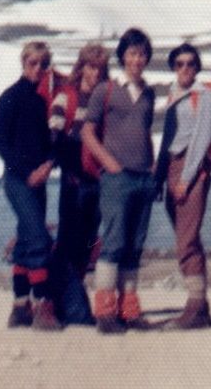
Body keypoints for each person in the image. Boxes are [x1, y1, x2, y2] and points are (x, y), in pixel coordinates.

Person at [81, 27, 156, 333]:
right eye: (132, 53)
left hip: (143, 178)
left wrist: (152, 168)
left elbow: (145, 133)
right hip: (117, 178)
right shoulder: (106, 90)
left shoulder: (149, 93)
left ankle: (129, 308)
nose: (137, 59)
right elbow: (87, 131)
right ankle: (105, 312)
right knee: (113, 243)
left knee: (135, 245)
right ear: (122, 55)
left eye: (142, 54)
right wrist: (108, 162)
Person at [0, 41, 61, 331]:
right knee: (39, 239)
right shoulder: (10, 97)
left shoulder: (46, 100)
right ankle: (43, 305)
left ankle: (20, 307)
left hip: (39, 179)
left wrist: (48, 164)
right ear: (23, 63)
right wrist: (25, 171)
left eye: (43, 64)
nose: (37, 69)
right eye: (32, 63)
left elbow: (52, 141)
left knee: (25, 239)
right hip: (18, 180)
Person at [154, 43, 211, 329]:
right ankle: (200, 306)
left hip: (188, 170)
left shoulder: (202, 97)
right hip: (171, 167)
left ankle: (194, 307)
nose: (185, 69)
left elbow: (201, 140)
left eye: (191, 63)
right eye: (179, 64)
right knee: (186, 235)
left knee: (186, 240)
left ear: (197, 66)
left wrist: (186, 179)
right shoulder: (174, 95)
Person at [49, 44, 109, 277]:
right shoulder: (67, 96)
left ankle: (77, 291)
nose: (95, 74)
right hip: (74, 177)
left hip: (97, 176)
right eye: (91, 67)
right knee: (68, 235)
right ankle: (56, 298)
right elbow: (55, 133)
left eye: (100, 69)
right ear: (82, 67)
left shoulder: (105, 98)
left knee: (89, 236)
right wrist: (68, 167)